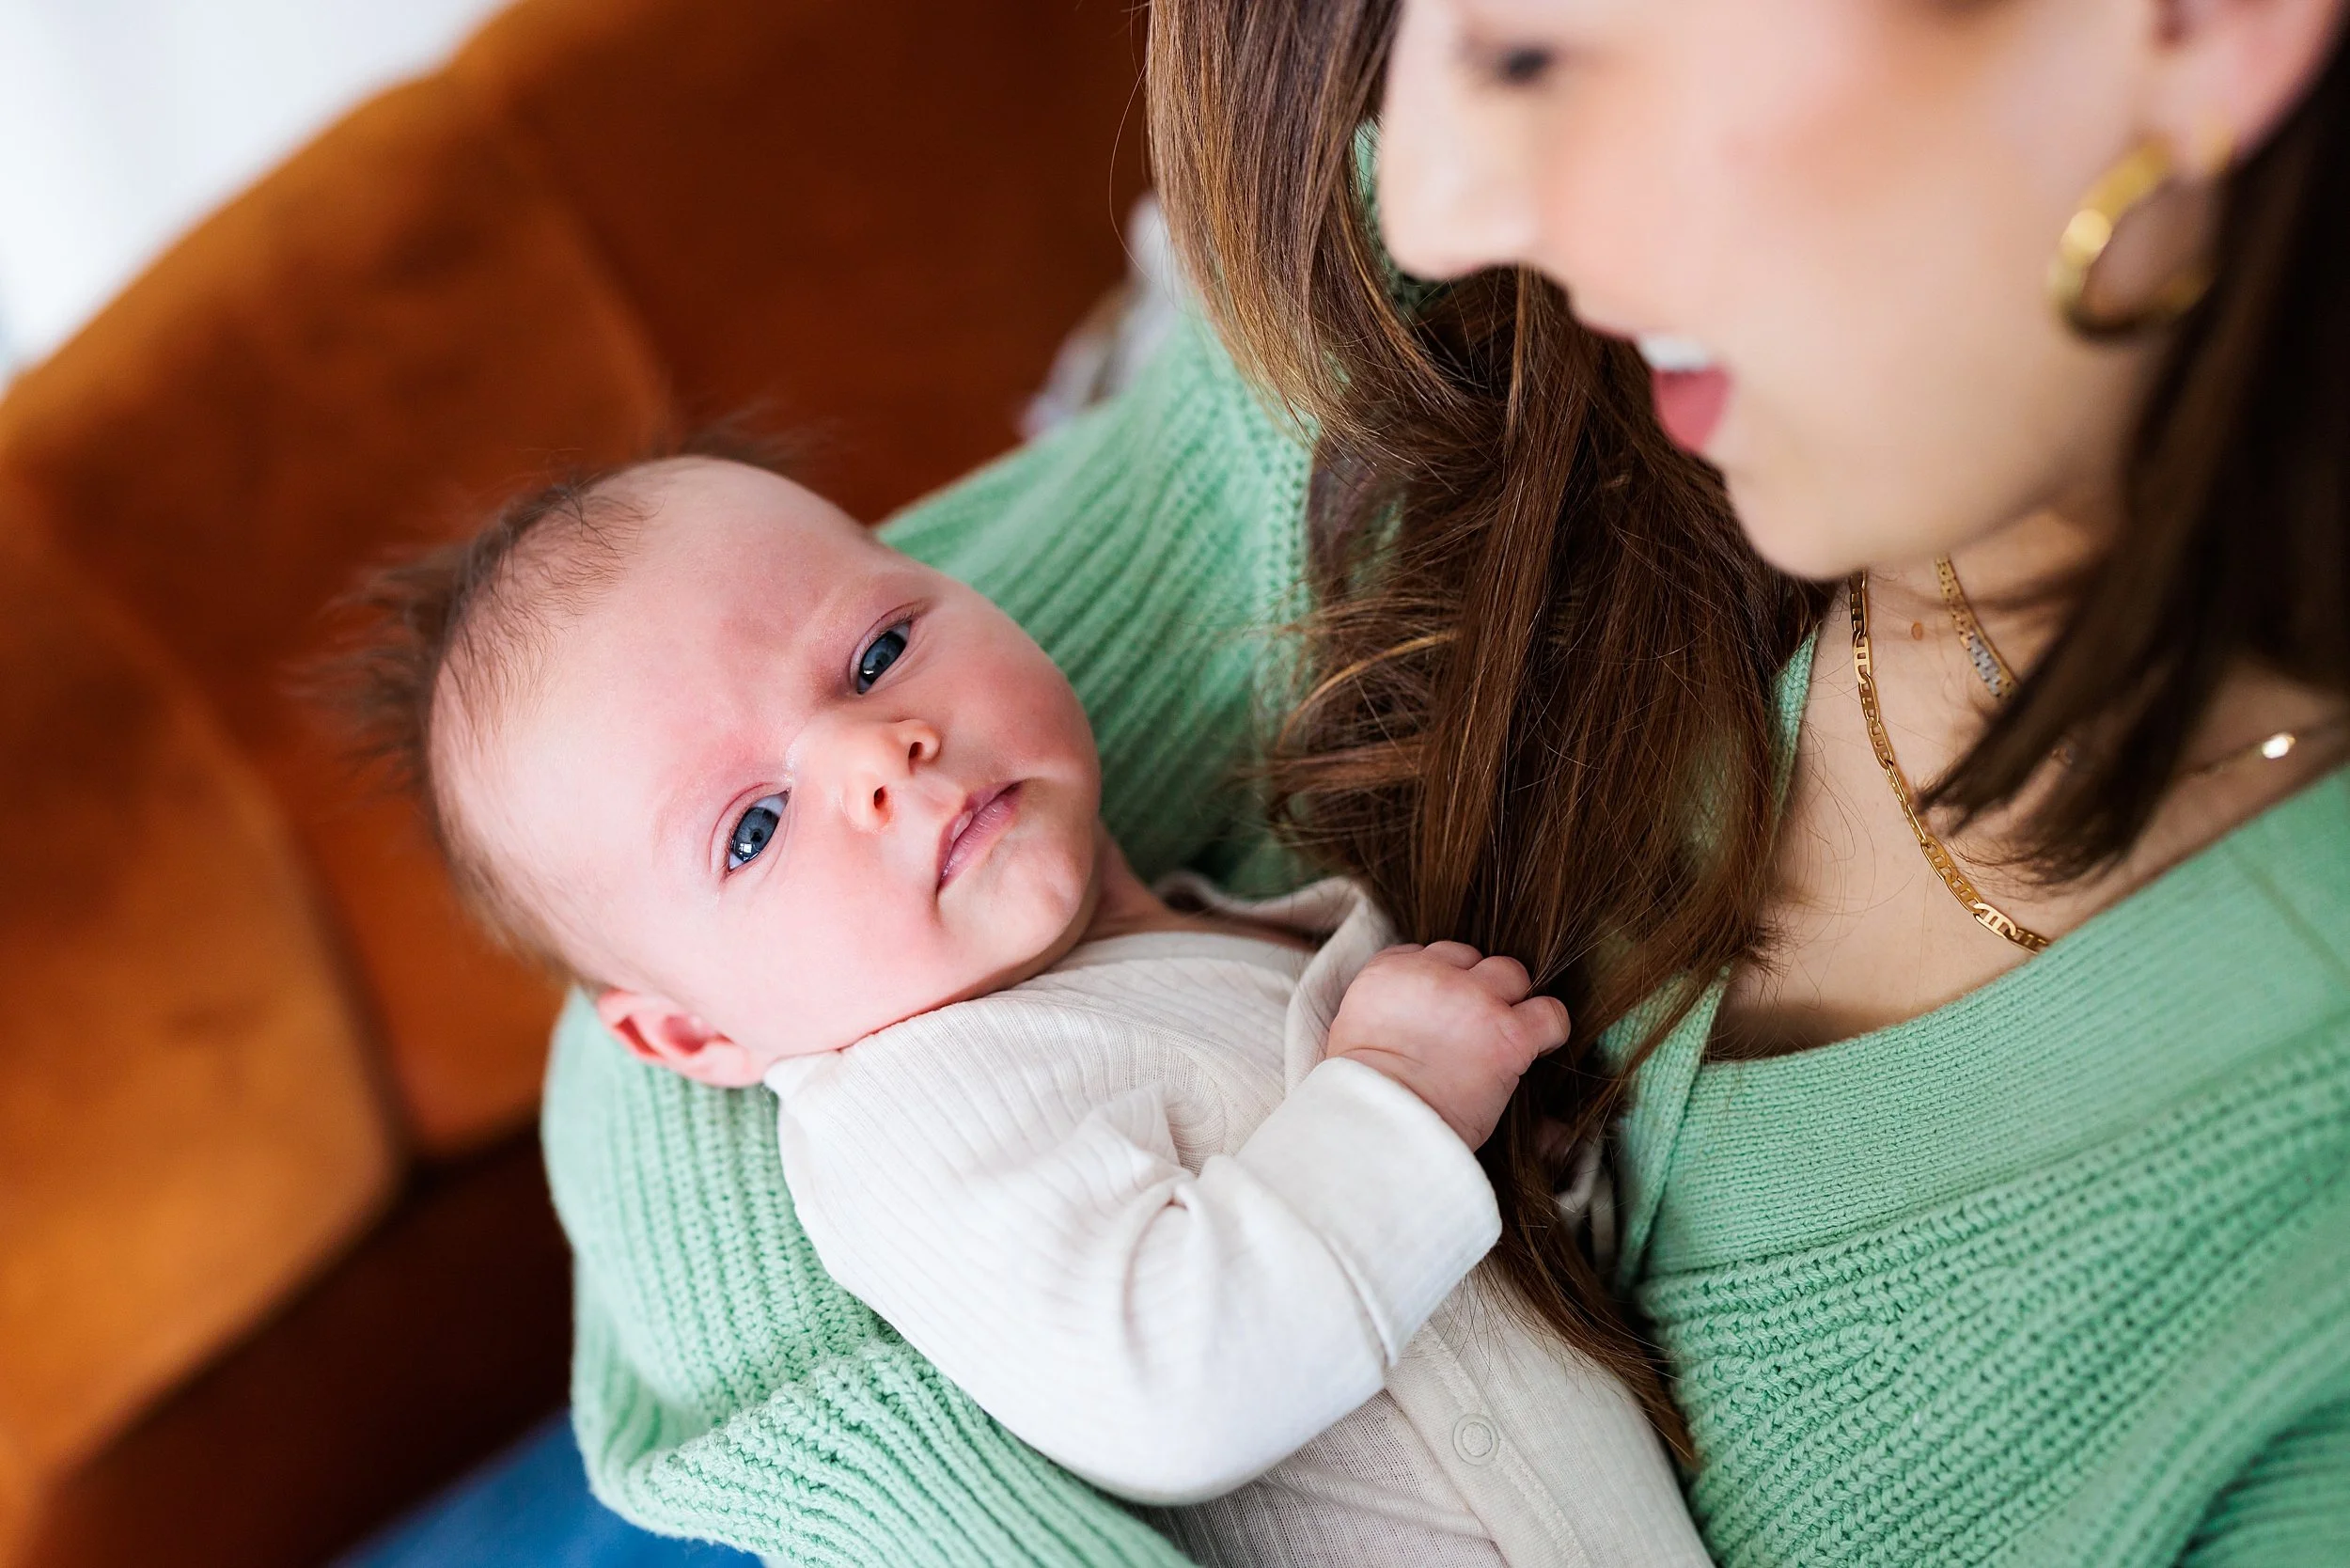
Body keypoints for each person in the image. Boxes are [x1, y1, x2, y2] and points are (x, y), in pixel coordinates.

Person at [545, 0, 2350, 1561]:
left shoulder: (2295, 1241)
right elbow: (637, 979)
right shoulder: (1450, 312)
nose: (1432, 192)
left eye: (1542, 38)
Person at [353, 452, 1705, 1566]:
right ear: (695, 1038)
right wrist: (1401, 1096)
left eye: (879, 651)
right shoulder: (912, 1118)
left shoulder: (1207, 926)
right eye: (753, 830)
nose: (884, 755)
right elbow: (1170, 1381)